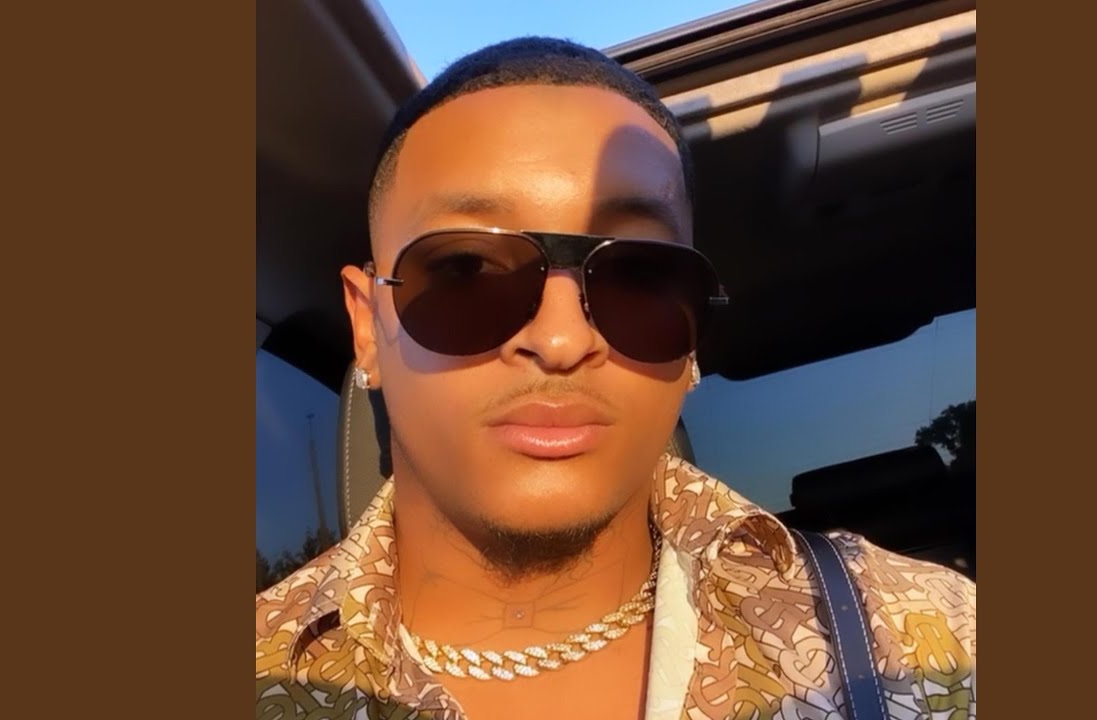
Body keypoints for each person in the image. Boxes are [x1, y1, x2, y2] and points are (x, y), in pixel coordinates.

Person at [255, 37, 976, 720]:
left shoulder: (926, 635)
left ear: (690, 339)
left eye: (638, 275)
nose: (562, 340)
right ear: (366, 326)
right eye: (466, 270)